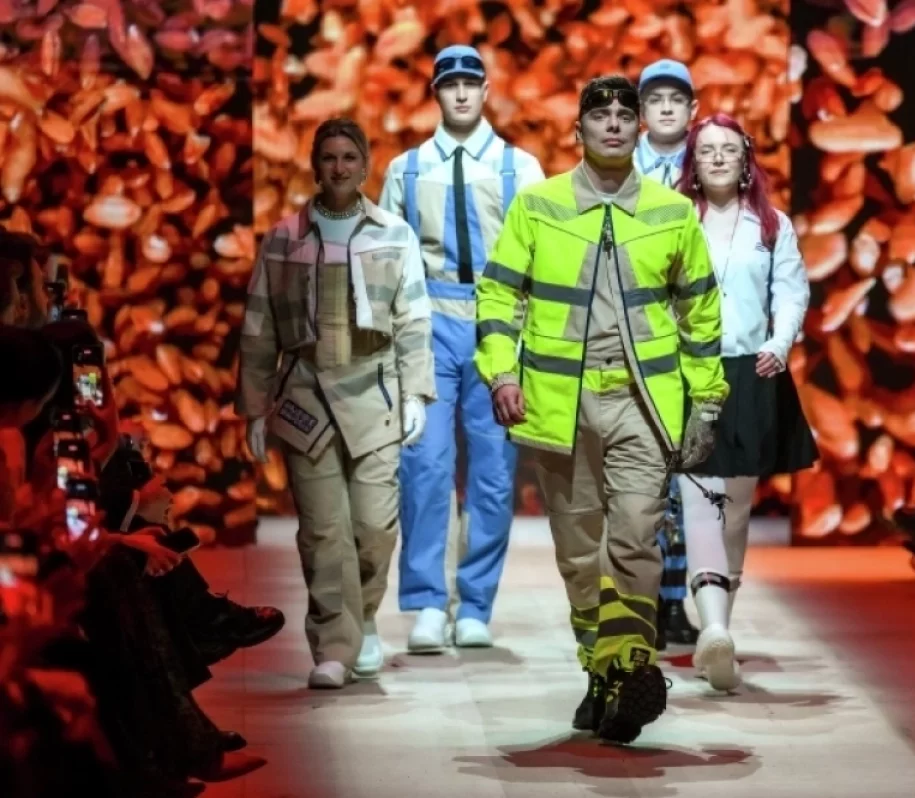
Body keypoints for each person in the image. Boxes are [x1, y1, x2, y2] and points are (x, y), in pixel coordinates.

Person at [475, 75, 727, 743]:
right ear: (578, 128)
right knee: (580, 554)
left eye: (624, 114)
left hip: (644, 402)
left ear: (640, 128)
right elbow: (499, 294)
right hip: (561, 402)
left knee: (636, 538)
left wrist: (706, 400)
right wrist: (501, 372)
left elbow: (701, 311)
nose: (613, 123)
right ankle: (603, 673)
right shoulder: (539, 206)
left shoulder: (672, 212)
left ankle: (630, 664)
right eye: (599, 114)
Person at [239, 117, 435, 689]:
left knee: (374, 525)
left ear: (366, 165)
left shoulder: (394, 233)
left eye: (350, 156)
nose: (340, 167)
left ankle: (363, 618)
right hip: (305, 396)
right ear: (315, 165)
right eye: (329, 157)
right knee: (323, 530)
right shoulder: (284, 237)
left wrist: (416, 392)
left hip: (374, 392)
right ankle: (333, 644)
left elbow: (413, 319)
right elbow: (259, 326)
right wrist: (254, 407)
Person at [379, 45, 545, 652]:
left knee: (495, 472)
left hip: (501, 327)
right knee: (424, 465)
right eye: (450, 84)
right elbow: (387, 259)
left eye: (471, 83)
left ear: (486, 90)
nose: (461, 93)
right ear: (436, 93)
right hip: (428, 324)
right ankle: (428, 602)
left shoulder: (521, 168)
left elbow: (540, 257)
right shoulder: (406, 169)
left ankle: (475, 604)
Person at [673, 114, 814, 691]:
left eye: (728, 149)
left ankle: (718, 629)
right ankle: (712, 628)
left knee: (735, 508)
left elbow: (792, 290)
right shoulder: (674, 220)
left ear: (746, 158)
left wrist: (780, 343)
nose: (717, 158)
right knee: (700, 498)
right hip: (691, 373)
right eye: (706, 149)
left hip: (752, 372)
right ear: (693, 162)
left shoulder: (773, 225)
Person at [634, 58, 703, 648]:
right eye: (653, 99)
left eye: (674, 99)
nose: (664, 108)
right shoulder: (615, 167)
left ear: (691, 109)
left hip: (690, 340)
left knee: (685, 479)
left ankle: (674, 601)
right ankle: (637, 600)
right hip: (631, 337)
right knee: (635, 478)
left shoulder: (710, 166)